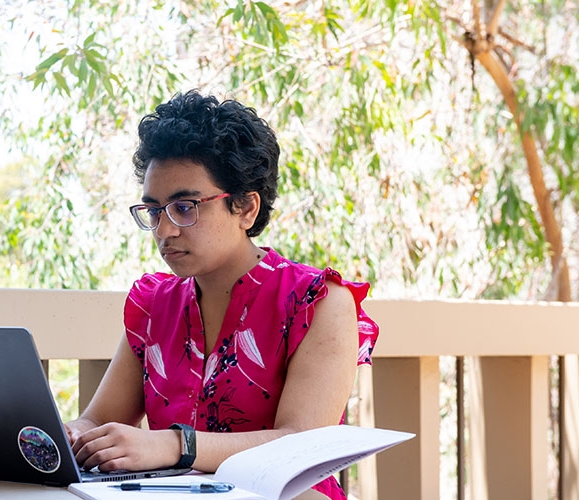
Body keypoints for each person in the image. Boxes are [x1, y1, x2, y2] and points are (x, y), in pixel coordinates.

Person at [64, 90, 379, 500]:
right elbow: (97, 422)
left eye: (185, 206)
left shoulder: (316, 301)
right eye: (155, 210)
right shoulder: (153, 306)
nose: (164, 231)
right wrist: (61, 435)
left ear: (246, 207)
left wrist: (175, 446)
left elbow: (301, 443)